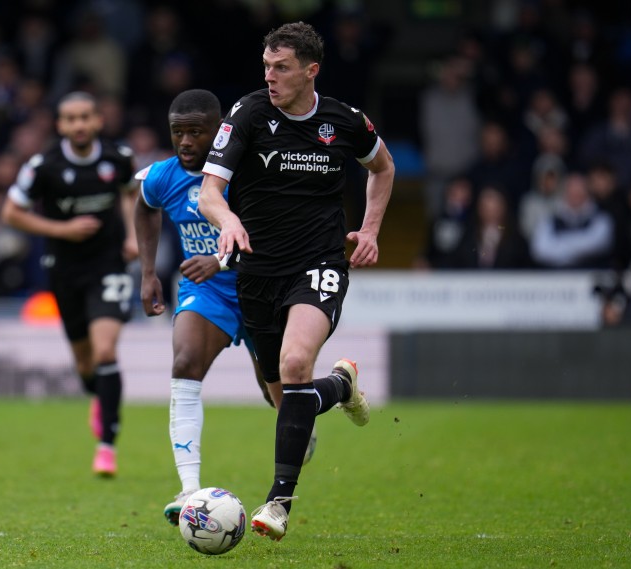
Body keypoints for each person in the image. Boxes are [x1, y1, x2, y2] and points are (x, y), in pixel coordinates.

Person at [198, 22, 395, 541]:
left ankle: (278, 502)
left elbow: (383, 167)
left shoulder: (344, 121)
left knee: (293, 364)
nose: (269, 76)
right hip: (257, 272)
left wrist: (370, 229)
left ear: (311, 71)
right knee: (282, 395)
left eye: (281, 68)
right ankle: (342, 385)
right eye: (266, 66)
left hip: (320, 263)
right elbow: (209, 193)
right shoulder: (248, 113)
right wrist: (229, 220)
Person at [133, 88, 316, 526]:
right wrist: (146, 272)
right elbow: (143, 207)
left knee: (276, 390)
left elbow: (270, 234)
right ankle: (189, 488)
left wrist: (220, 258)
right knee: (184, 360)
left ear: (220, 133)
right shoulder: (163, 175)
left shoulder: (250, 171)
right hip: (208, 292)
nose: (186, 141)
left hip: (263, 285)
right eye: (179, 132)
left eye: (197, 132)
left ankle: (308, 413)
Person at [1, 91, 136, 477]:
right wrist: (62, 229)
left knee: (106, 350)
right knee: (85, 363)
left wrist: (131, 237)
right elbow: (11, 212)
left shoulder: (119, 158)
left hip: (108, 264)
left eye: (85, 117)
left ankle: (106, 446)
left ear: (97, 121)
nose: (79, 125)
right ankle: (100, 399)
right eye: (70, 119)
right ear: (60, 125)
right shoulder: (43, 166)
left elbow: (130, 196)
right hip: (64, 268)